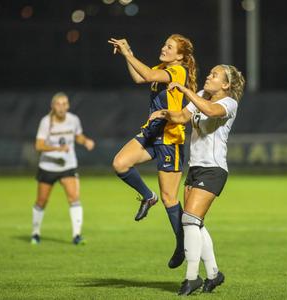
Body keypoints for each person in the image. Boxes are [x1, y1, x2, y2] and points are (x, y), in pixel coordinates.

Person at [149, 64, 245, 295]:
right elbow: (182, 117)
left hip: (213, 169)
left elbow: (211, 111)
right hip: (195, 168)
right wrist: (164, 113)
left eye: (215, 75)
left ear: (225, 85)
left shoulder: (229, 103)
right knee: (195, 223)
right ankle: (213, 274)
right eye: (209, 72)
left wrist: (184, 90)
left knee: (190, 220)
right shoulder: (202, 95)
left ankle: (191, 278)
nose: (209, 76)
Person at [108, 34, 198, 268]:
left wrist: (129, 53)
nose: (164, 48)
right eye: (164, 44)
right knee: (120, 163)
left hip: (170, 138)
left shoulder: (178, 71)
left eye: (170, 47)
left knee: (170, 199)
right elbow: (141, 77)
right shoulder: (162, 67)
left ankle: (182, 244)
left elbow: (147, 74)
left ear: (180, 55)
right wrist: (127, 55)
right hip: (152, 133)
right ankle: (148, 197)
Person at [31, 92, 95, 245]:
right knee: (41, 201)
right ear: (53, 106)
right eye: (58, 104)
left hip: (68, 165)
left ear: (68, 106)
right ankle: (35, 233)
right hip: (48, 166)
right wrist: (57, 150)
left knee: (74, 198)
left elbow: (77, 136)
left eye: (64, 103)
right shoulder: (46, 122)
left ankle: (76, 236)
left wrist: (85, 141)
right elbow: (38, 146)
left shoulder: (73, 120)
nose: (61, 107)